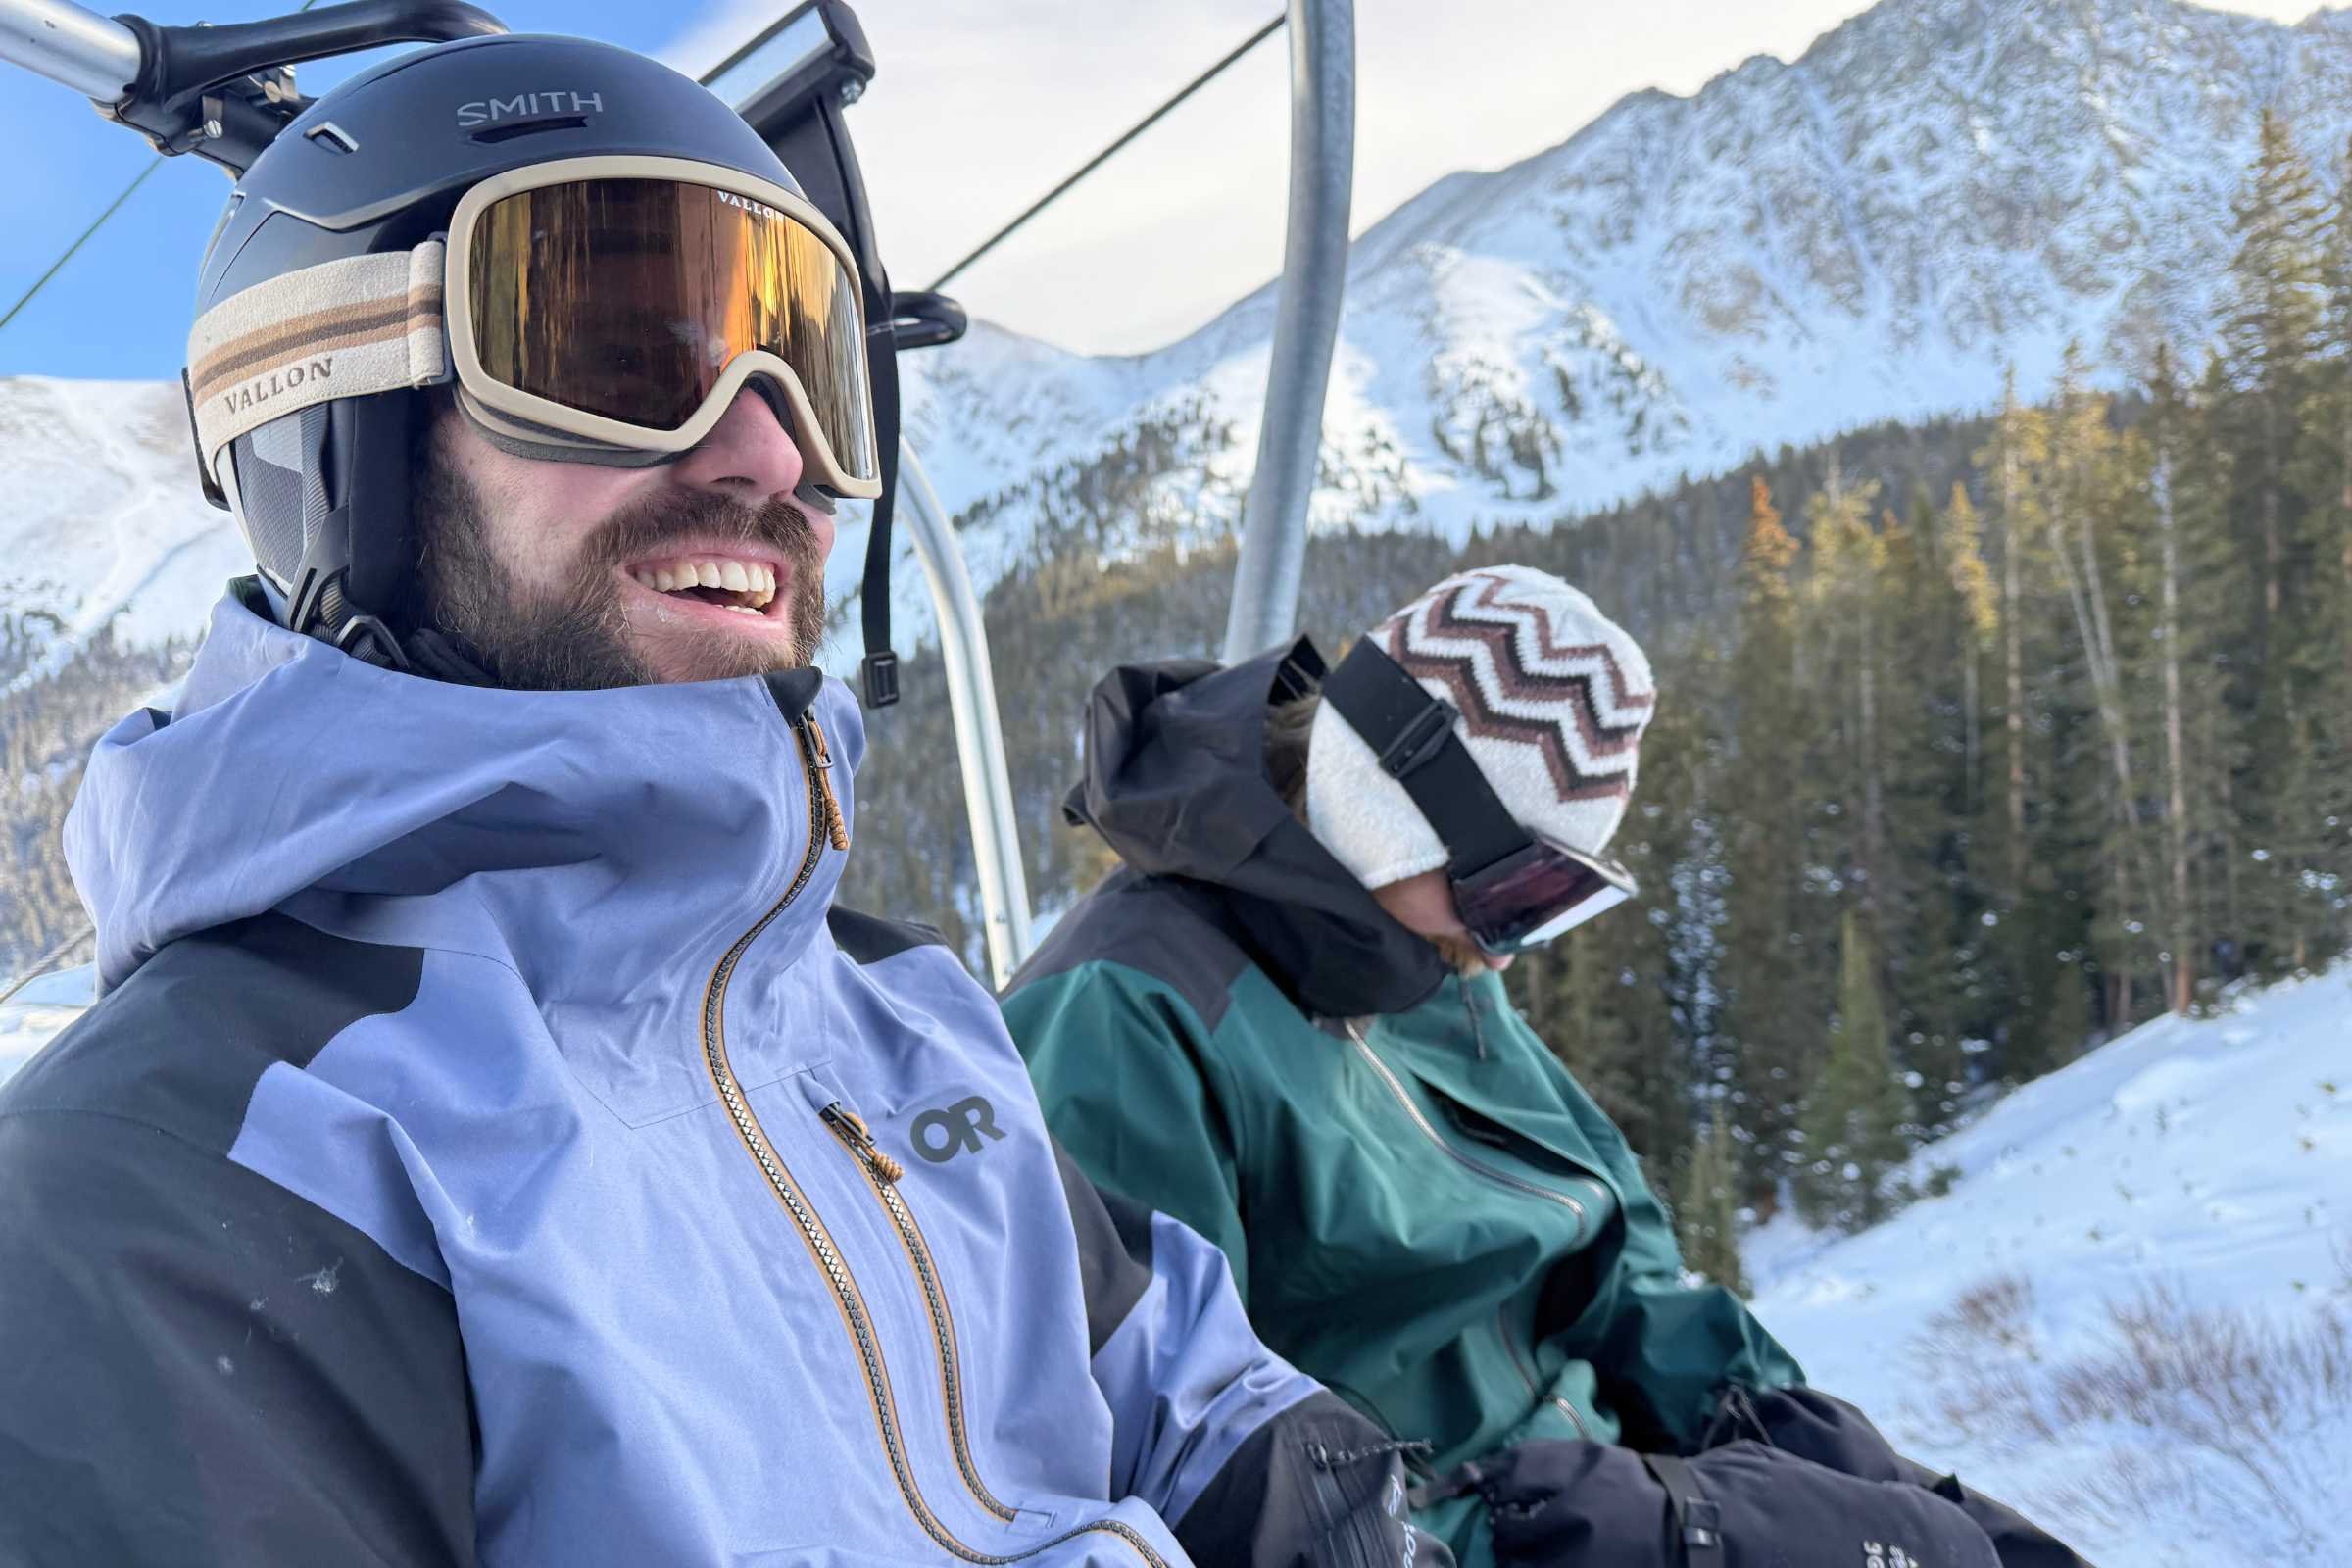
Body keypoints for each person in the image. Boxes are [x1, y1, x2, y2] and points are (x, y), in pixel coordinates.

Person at [0, 35, 1443, 1568]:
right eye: (619, 354)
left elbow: (1203, 1409)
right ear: (339, 429)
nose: (772, 449)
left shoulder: (890, 1013)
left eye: (809, 365)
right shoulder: (179, 1169)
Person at [1003, 566, 2090, 1568]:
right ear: (1392, 807)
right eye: (1514, 889)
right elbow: (1178, 1468)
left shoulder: (1410, 945)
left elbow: (1606, 1251)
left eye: (1558, 900)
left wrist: (1790, 1437)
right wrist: (1605, 1539)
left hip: (1601, 1494)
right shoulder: (1128, 1019)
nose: (1504, 950)